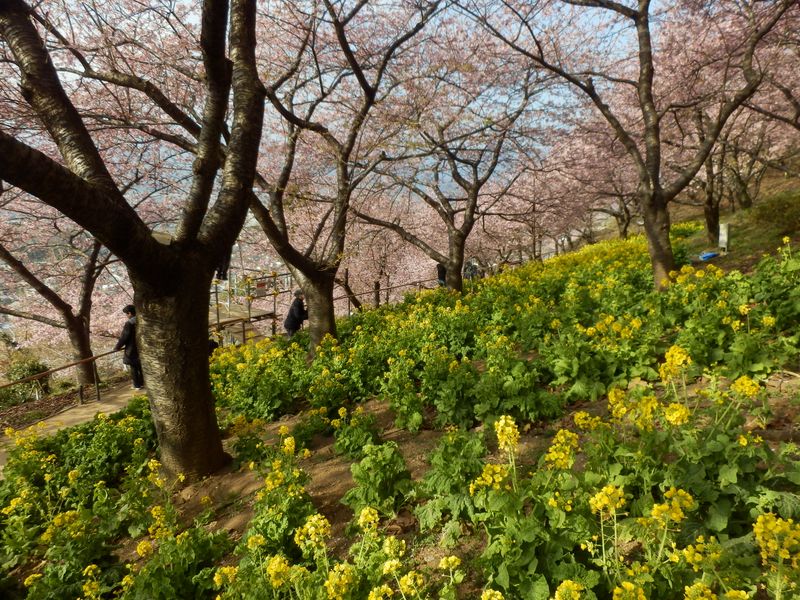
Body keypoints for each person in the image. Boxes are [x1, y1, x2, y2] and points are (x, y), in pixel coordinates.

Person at [114, 304, 144, 390]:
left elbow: (124, 337)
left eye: (126, 314)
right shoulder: (142, 321)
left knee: (133, 367)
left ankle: (137, 385)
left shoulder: (129, 323)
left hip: (132, 349)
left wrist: (117, 347)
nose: (126, 316)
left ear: (130, 313)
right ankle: (142, 382)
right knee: (141, 366)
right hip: (142, 347)